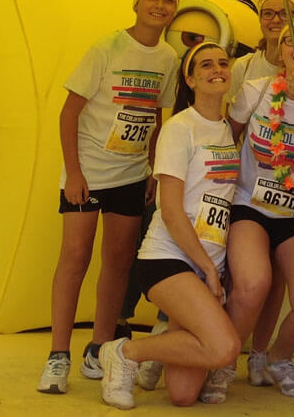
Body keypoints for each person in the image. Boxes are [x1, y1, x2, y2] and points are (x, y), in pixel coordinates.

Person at [37, 0, 182, 396]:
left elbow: (157, 118)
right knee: (75, 257)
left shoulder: (169, 59)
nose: (159, 6)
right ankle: (57, 356)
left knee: (119, 260)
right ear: (136, 1)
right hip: (88, 172)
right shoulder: (106, 48)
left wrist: (153, 168)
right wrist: (74, 172)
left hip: (131, 175)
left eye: (168, 0)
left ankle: (100, 349)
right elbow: (69, 113)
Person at [95, 41, 242, 409]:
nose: (216, 69)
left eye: (222, 63)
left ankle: (160, 344)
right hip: (168, 259)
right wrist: (209, 269)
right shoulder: (179, 128)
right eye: (205, 65)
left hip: (206, 262)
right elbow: (172, 212)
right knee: (224, 348)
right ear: (190, 80)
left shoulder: (226, 128)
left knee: (182, 395)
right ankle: (123, 353)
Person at [199, 16, 294, 404]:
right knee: (253, 285)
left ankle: (278, 357)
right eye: (293, 40)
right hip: (249, 206)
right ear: (280, 51)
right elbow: (226, 140)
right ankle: (223, 363)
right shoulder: (256, 90)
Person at [225, 0, 294, 106]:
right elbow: (229, 112)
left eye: (285, 14)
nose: (276, 20)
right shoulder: (243, 66)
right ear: (260, 20)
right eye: (268, 13)